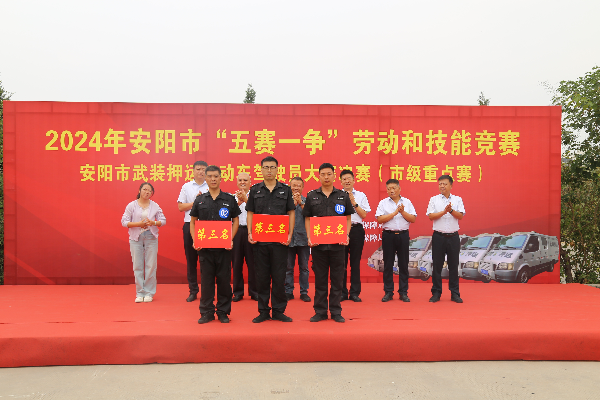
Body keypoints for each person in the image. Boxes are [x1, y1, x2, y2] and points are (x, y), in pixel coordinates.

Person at [246, 156, 296, 323]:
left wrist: (289, 234)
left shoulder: (285, 190)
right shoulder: (255, 190)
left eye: (272, 167)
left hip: (280, 242)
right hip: (260, 242)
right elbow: (250, 212)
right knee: (262, 277)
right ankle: (263, 311)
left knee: (279, 277)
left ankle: (278, 310)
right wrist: (250, 232)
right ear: (261, 169)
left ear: (277, 169)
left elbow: (291, 212)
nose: (269, 170)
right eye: (266, 167)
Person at [303, 163, 354, 323]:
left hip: (338, 246)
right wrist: (309, 237)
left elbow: (347, 218)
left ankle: (336, 311)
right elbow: (307, 218)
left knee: (337, 279)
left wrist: (346, 234)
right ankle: (320, 311)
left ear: (334, 176)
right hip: (318, 246)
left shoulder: (342, 196)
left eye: (329, 174)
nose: (326, 177)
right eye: (323, 174)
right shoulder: (312, 196)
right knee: (320, 280)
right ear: (318, 176)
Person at [189, 165, 241, 324]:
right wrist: (195, 240)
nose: (213, 179)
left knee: (224, 282)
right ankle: (207, 312)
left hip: (224, 249)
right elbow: (193, 222)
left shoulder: (229, 199)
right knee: (206, 282)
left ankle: (223, 312)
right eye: (210, 176)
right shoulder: (200, 199)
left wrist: (230, 239)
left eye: (216, 176)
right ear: (205, 178)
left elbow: (236, 220)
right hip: (205, 249)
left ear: (220, 178)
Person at [121, 182, 166, 303]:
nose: (147, 192)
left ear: (152, 194)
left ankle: (149, 293)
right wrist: (139, 224)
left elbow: (163, 220)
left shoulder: (155, 206)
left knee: (151, 265)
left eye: (149, 191)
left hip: (151, 236)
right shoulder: (132, 205)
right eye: (145, 189)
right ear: (139, 190)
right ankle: (140, 292)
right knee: (138, 265)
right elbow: (124, 222)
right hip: (136, 237)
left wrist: (153, 223)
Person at [375, 179, 417, 302]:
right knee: (388, 264)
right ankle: (388, 292)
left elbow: (413, 219)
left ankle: (403, 292)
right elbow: (380, 219)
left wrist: (402, 212)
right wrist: (394, 213)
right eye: (388, 189)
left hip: (403, 235)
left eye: (393, 188)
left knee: (403, 264)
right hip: (388, 236)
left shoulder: (407, 202)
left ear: (399, 188)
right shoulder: (383, 203)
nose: (391, 191)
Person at [427, 175, 466, 303]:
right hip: (438, 237)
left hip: (453, 237)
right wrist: (444, 212)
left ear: (451, 185)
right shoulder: (434, 199)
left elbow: (460, 216)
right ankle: (436, 293)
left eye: (444, 184)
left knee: (453, 266)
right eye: (440, 184)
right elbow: (431, 216)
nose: (442, 186)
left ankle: (455, 293)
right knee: (437, 266)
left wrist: (451, 210)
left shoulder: (457, 199)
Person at [177, 161, 208, 302]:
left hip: (207, 226)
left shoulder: (211, 185)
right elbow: (181, 207)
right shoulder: (186, 186)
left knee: (207, 260)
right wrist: (196, 202)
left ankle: (207, 291)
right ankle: (193, 290)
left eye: (203, 169)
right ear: (193, 171)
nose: (201, 171)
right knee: (191, 260)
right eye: (198, 169)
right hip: (190, 225)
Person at [340, 169, 371, 302]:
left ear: (353, 180)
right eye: (344, 179)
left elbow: (363, 215)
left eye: (349, 178)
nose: (347, 181)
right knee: (341, 263)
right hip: (341, 230)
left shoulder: (361, 195)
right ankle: (342, 292)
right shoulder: (337, 195)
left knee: (355, 262)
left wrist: (353, 202)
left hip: (356, 230)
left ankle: (354, 293)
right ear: (341, 181)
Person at [231, 172, 257, 302]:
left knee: (253, 263)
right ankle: (237, 292)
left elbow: (258, 211)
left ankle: (254, 291)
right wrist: (237, 202)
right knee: (236, 263)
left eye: (245, 180)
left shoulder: (255, 196)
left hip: (251, 231)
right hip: (236, 231)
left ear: (250, 183)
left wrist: (246, 200)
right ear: (237, 183)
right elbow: (227, 214)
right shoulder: (231, 198)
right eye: (240, 180)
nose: (242, 182)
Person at [285, 176, 311, 302]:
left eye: (299, 186)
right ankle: (288, 291)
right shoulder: (285, 201)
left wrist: (300, 203)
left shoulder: (307, 201)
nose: (296, 188)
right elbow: (281, 216)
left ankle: (304, 292)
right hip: (288, 239)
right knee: (288, 268)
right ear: (290, 187)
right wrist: (292, 205)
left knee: (304, 268)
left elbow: (310, 215)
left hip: (303, 239)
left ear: (303, 187)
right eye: (294, 185)